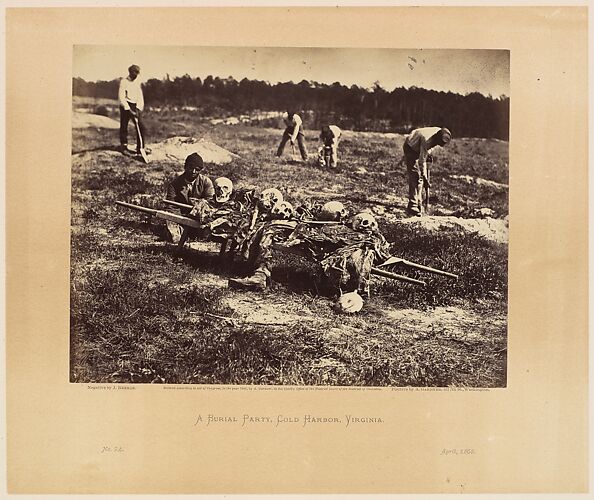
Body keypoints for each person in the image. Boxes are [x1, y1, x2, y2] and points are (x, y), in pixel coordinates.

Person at [165, 153, 214, 243]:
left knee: (206, 235)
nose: (193, 172)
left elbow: (210, 203)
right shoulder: (175, 184)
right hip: (181, 218)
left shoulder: (206, 182)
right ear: (185, 167)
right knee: (174, 237)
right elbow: (171, 206)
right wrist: (182, 220)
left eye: (197, 169)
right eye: (191, 168)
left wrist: (196, 214)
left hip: (200, 218)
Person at [402, 127, 452, 216]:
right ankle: (412, 205)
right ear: (437, 138)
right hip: (410, 146)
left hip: (420, 146)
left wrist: (428, 153)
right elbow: (422, 161)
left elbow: (428, 148)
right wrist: (425, 176)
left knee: (420, 178)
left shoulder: (440, 132)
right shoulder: (426, 139)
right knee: (415, 176)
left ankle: (419, 202)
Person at [118, 64, 147, 154]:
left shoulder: (137, 82)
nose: (136, 75)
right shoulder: (124, 82)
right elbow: (121, 97)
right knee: (124, 126)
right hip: (125, 106)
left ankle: (140, 148)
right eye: (135, 73)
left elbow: (140, 96)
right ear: (130, 72)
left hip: (135, 105)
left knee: (141, 127)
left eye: (138, 73)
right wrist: (128, 109)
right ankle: (124, 146)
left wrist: (138, 109)